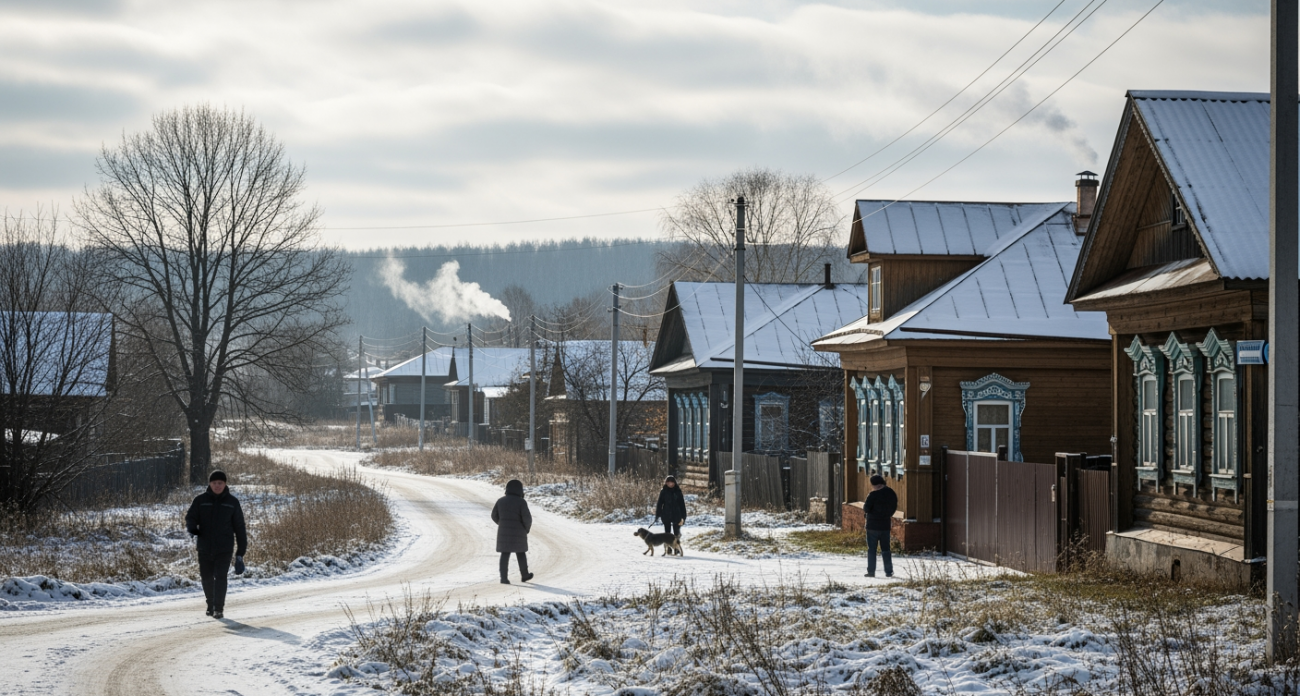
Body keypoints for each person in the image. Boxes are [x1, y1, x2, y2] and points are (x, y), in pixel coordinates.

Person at [185, 470, 247, 619]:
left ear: (225, 484)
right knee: (206, 577)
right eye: (214, 483)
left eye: (220, 483)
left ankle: (218, 608)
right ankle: (210, 604)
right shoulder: (200, 500)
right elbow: (190, 517)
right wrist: (193, 529)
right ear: (209, 484)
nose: (217, 486)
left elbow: (240, 527)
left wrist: (240, 553)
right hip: (204, 547)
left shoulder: (232, 503)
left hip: (224, 548)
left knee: (220, 577)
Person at [491, 479, 533, 584]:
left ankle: (503, 578)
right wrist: (526, 529)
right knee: (521, 553)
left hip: (503, 532)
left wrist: (501, 523)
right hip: (519, 533)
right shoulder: (521, 502)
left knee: (505, 554)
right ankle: (525, 575)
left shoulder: (500, 501)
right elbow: (527, 519)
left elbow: (493, 515)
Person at [863, 474, 897, 578]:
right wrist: (887, 515)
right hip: (885, 525)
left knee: (872, 549)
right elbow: (894, 507)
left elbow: (866, 508)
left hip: (872, 525)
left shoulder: (873, 495)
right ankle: (888, 571)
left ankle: (871, 571)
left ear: (874, 484)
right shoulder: (891, 493)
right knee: (886, 549)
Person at [654, 475, 687, 539]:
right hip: (666, 513)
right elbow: (660, 503)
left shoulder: (678, 491)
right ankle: (668, 547)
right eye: (668, 482)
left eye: (672, 482)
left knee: (676, 532)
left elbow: (682, 504)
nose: (670, 484)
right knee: (667, 533)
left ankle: (677, 547)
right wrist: (658, 514)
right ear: (666, 483)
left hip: (677, 514)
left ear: (674, 483)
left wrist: (683, 516)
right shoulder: (663, 491)